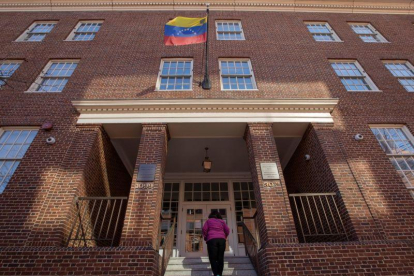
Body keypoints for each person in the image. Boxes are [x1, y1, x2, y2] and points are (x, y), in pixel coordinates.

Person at [202, 210, 230, 276]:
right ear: (219, 215)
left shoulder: (208, 221)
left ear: (211, 215)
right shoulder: (222, 221)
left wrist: (206, 237)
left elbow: (204, 230)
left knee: (213, 258)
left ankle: (215, 274)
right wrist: (224, 236)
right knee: (220, 257)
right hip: (221, 240)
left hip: (212, 240)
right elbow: (227, 230)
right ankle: (219, 274)